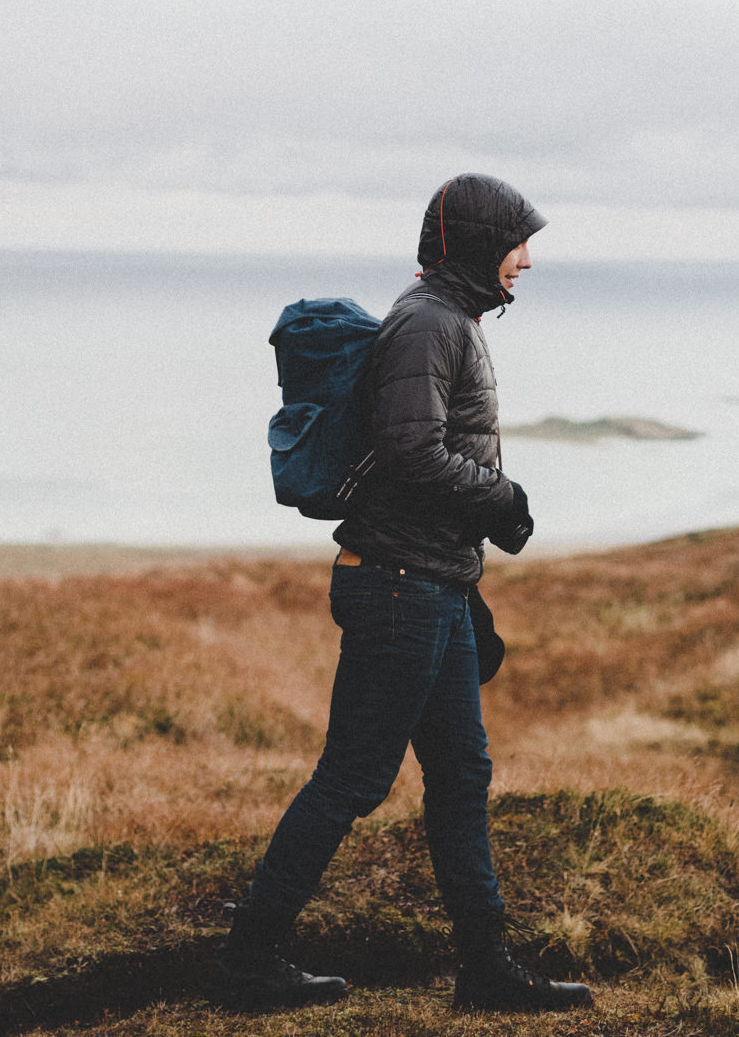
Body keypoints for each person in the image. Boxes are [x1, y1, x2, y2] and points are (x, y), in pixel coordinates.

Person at [212, 174, 593, 1013]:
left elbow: (421, 459)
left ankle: (485, 969)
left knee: (461, 773)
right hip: (399, 589)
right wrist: (503, 500)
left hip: (433, 585)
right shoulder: (428, 326)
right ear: (476, 244)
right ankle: (249, 955)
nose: (525, 260)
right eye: (516, 243)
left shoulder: (449, 320)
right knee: (354, 775)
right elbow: (412, 452)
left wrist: (473, 560)